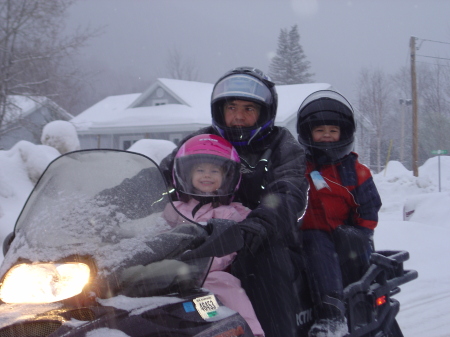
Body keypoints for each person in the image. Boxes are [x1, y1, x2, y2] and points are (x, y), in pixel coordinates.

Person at [160, 66, 308, 337]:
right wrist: (113, 204)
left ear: (264, 112)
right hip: (200, 236)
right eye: (232, 107)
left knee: (267, 266)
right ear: (220, 110)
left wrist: (260, 223)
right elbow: (163, 177)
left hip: (264, 237)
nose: (238, 116)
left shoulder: (281, 145)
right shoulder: (201, 140)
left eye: (249, 109)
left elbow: (288, 191)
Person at [296, 90, 382, 337]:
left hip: (342, 237)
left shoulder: (355, 171)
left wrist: (360, 233)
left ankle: (333, 315)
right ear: (308, 134)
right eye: (320, 131)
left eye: (332, 131)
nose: (326, 136)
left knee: (317, 242)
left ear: (343, 134)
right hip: (299, 233)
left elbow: (369, 207)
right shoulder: (298, 166)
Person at [163, 133, 264, 336]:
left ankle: (245, 329)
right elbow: (157, 232)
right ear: (185, 174)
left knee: (225, 287)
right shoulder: (174, 208)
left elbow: (228, 249)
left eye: (214, 170)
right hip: (169, 269)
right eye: (200, 170)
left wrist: (200, 264)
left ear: (227, 177)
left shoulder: (228, 212)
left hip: (207, 273)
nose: (206, 175)